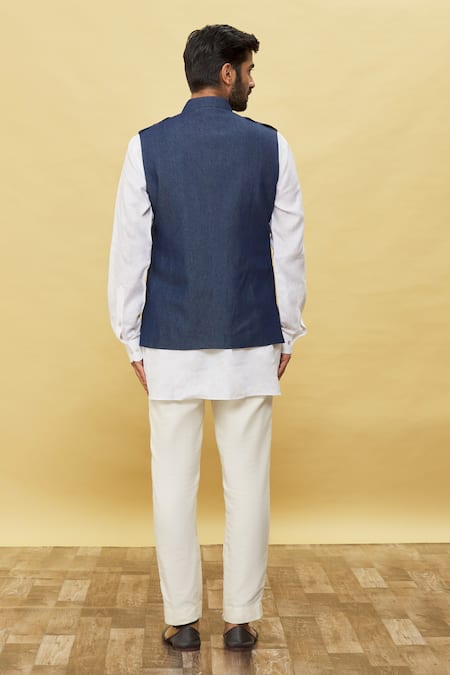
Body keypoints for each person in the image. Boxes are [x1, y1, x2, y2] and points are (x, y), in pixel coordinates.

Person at [107, 23, 307, 652]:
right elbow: (289, 249)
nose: (252, 81)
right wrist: (289, 329)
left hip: (169, 337)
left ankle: (183, 620)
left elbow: (130, 252)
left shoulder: (146, 147)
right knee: (248, 483)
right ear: (226, 73)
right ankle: (241, 620)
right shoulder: (272, 146)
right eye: (248, 69)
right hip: (249, 334)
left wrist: (130, 337)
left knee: (173, 484)